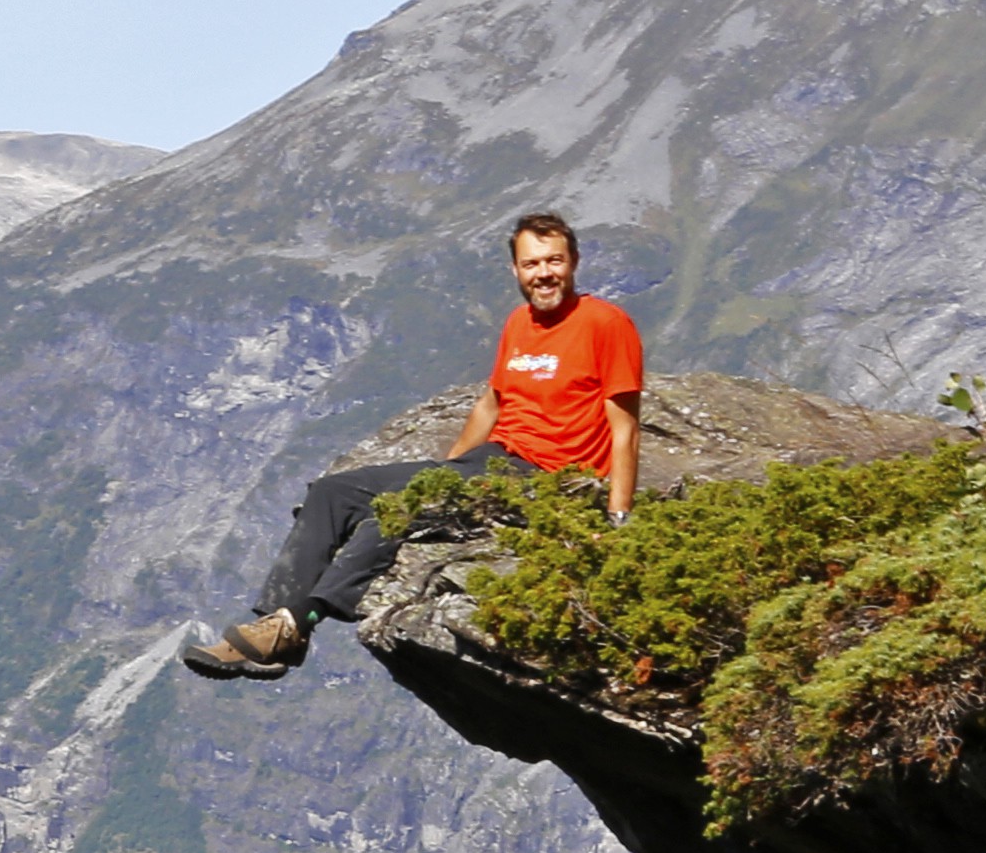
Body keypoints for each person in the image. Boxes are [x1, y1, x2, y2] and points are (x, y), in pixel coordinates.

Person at [182, 212, 645, 676]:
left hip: (548, 478)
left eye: (553, 261)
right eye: (531, 264)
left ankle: (298, 622)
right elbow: (491, 404)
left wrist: (616, 520)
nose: (543, 273)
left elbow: (625, 429)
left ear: (573, 261)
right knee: (332, 492)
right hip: (494, 460)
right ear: (515, 270)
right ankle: (273, 626)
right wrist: (445, 473)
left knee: (398, 511)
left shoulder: (605, 323)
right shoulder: (519, 323)